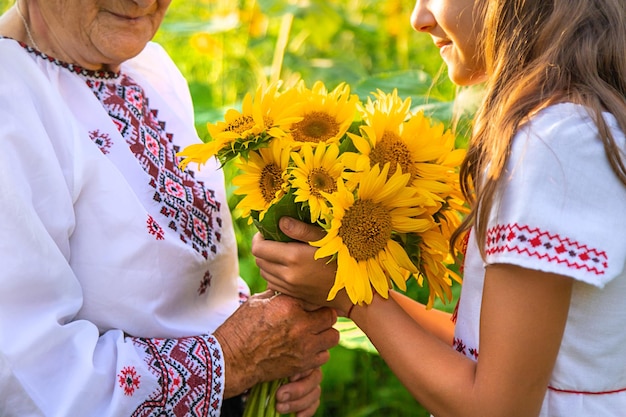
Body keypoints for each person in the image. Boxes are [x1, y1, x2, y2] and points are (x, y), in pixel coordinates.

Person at [252, 0, 626, 416]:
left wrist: (349, 296)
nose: (417, 18)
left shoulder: (550, 147)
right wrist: (343, 284)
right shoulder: (578, 130)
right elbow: (482, 349)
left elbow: (496, 408)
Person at [0, 1, 340, 416]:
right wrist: (235, 359)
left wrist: (274, 348)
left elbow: (186, 284)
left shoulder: (149, 68)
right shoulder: (11, 98)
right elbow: (21, 368)